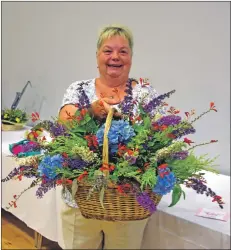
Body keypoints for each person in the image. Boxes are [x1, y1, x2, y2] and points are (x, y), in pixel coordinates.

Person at [58, 24, 160, 249]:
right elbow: (64, 122)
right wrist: (91, 112)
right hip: (81, 199)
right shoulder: (79, 88)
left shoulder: (145, 93)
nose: (115, 57)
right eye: (108, 51)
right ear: (97, 56)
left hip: (127, 202)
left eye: (123, 51)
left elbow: (158, 135)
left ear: (131, 58)